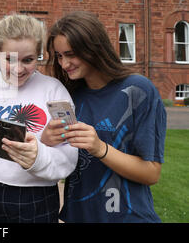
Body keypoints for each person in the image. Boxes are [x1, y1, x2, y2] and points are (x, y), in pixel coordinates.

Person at [42, 11, 166, 222]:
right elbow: (62, 163)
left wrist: (100, 148)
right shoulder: (69, 95)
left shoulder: (138, 90)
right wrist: (46, 141)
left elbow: (151, 173)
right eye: (59, 56)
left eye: (71, 54)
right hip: (77, 216)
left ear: (93, 48)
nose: (64, 64)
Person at [0, 14, 78, 223]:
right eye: (9, 59)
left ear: (38, 55)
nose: (18, 69)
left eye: (28, 60)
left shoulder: (54, 91)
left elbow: (69, 155)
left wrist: (38, 157)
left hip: (33, 198)